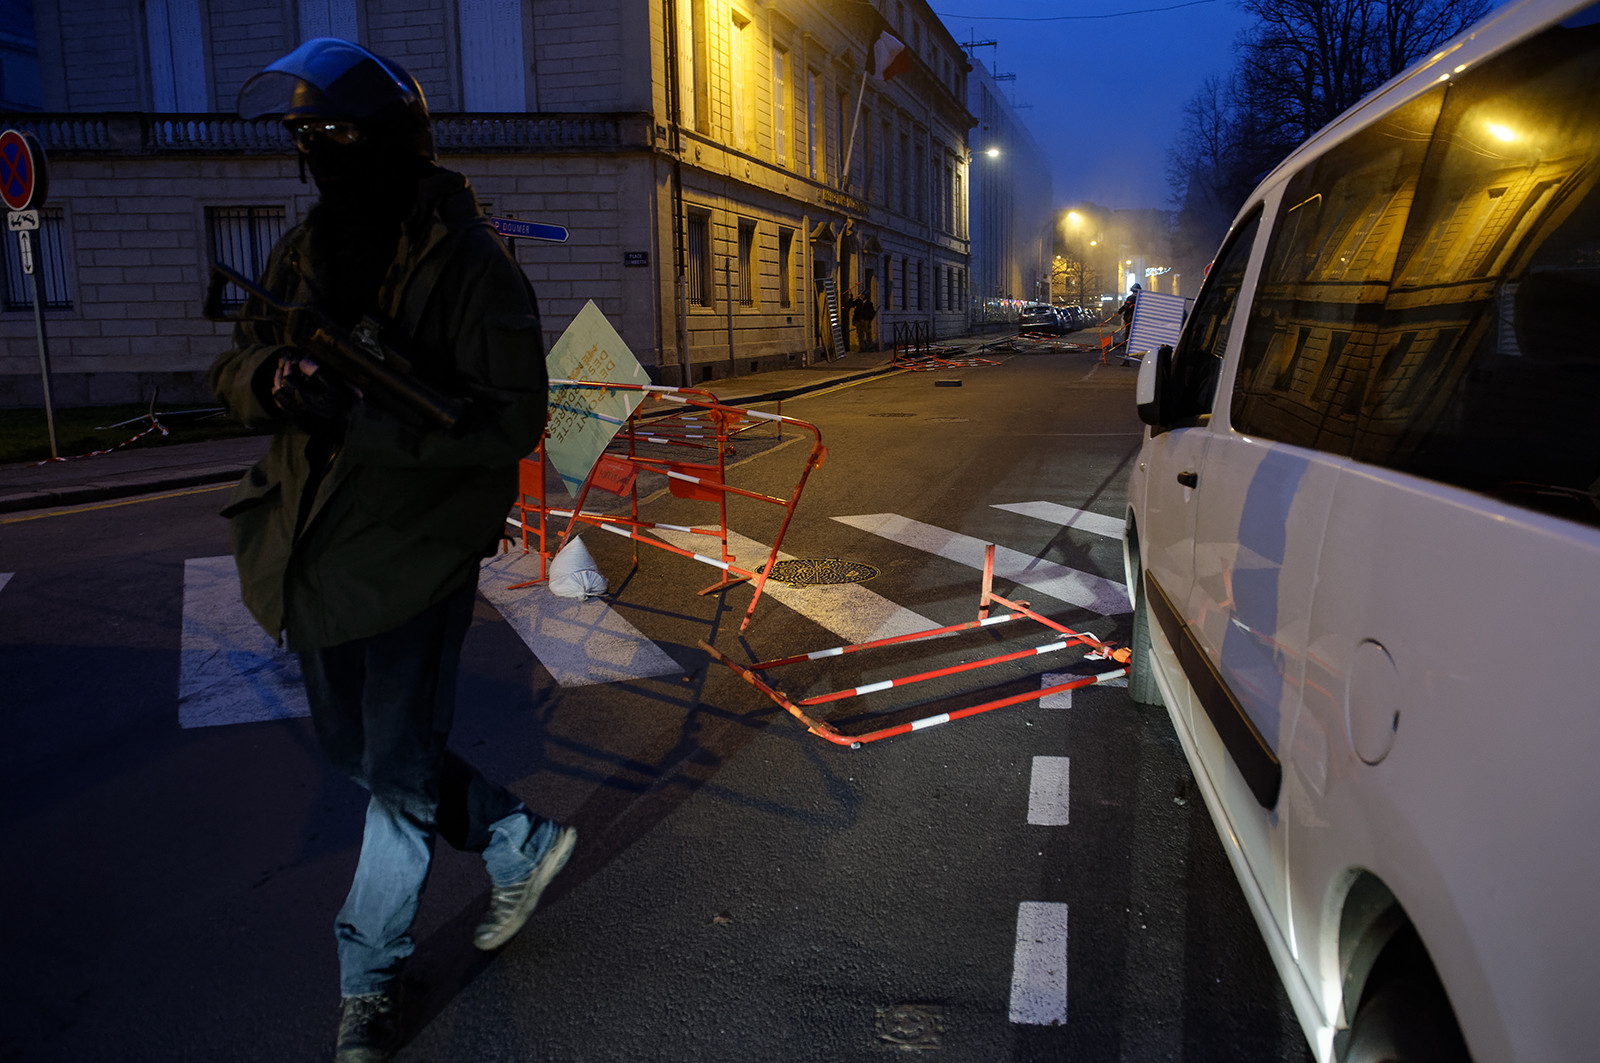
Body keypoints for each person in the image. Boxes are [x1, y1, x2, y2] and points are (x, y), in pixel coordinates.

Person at [209, 38, 575, 1062]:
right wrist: (276, 381)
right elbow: (234, 362)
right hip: (310, 552)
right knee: (358, 754)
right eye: (307, 141)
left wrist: (357, 416)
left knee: (401, 783)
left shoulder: (475, 270)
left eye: (339, 138)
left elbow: (508, 424)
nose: (323, 157)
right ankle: (518, 838)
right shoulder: (303, 250)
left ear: (394, 144)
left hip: (414, 559)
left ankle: (368, 978)